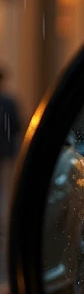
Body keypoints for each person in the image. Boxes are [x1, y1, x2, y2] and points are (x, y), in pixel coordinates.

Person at [0, 67, 22, 236]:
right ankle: (4, 224)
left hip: (6, 152)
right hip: (7, 152)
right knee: (5, 189)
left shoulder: (8, 102)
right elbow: (16, 126)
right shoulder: (8, 101)